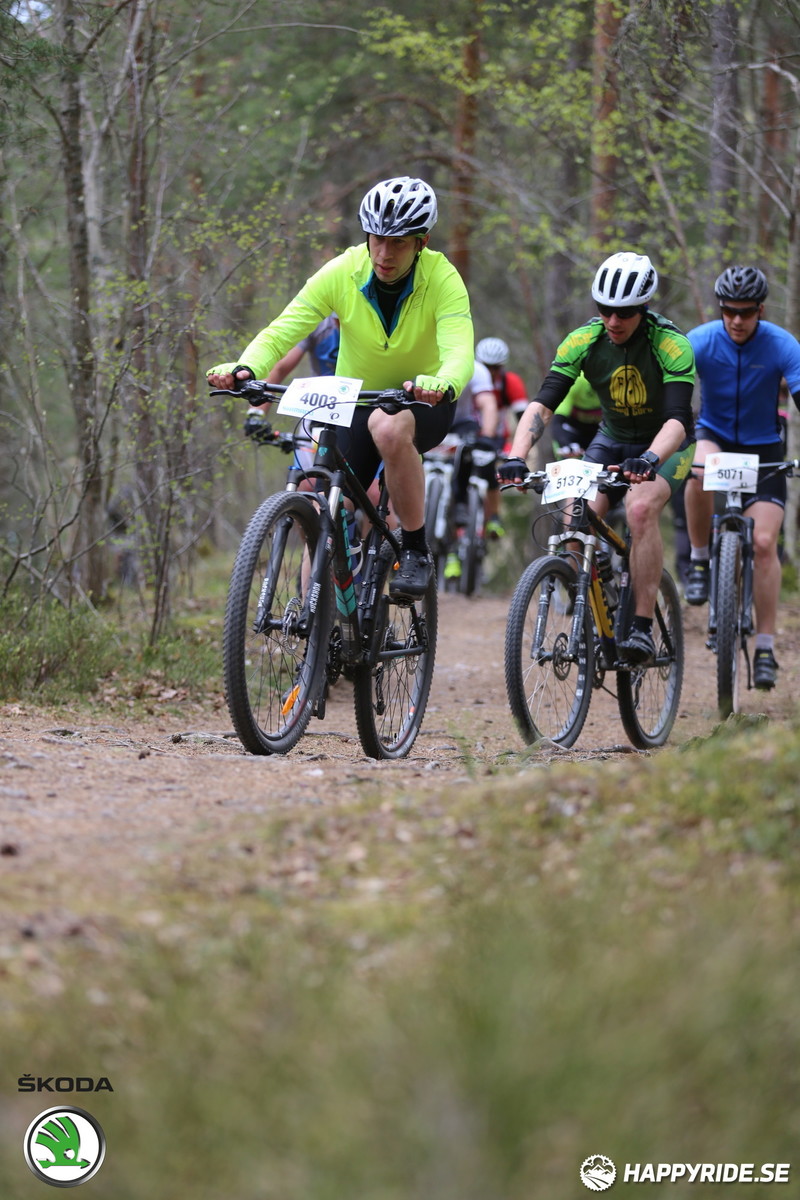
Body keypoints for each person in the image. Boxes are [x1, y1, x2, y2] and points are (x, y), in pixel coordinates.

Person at [207, 176, 475, 600]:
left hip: (421, 399)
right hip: (356, 402)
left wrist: (442, 382)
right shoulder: (343, 271)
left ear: (421, 242)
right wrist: (246, 366)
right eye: (376, 239)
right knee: (324, 509)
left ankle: (415, 547)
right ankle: (316, 630)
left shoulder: (443, 279)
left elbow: (459, 349)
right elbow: (284, 329)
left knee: (389, 429)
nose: (384, 253)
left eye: (398, 243)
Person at [498, 250, 696, 664]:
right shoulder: (583, 340)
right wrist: (517, 455)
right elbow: (543, 404)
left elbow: (678, 419)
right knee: (574, 520)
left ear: (643, 307)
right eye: (605, 310)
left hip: (666, 444)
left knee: (640, 511)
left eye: (623, 312)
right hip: (611, 438)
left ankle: (641, 626)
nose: (613, 321)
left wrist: (650, 459)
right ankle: (594, 604)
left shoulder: (671, 344)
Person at [683, 265, 800, 690]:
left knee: (765, 544)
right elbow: (672, 387)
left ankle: (766, 646)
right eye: (729, 311)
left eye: (746, 312)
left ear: (760, 310)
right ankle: (698, 560)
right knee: (697, 471)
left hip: (763, 447)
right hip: (714, 436)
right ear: (720, 308)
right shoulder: (699, 340)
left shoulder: (782, 345)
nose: (736, 320)